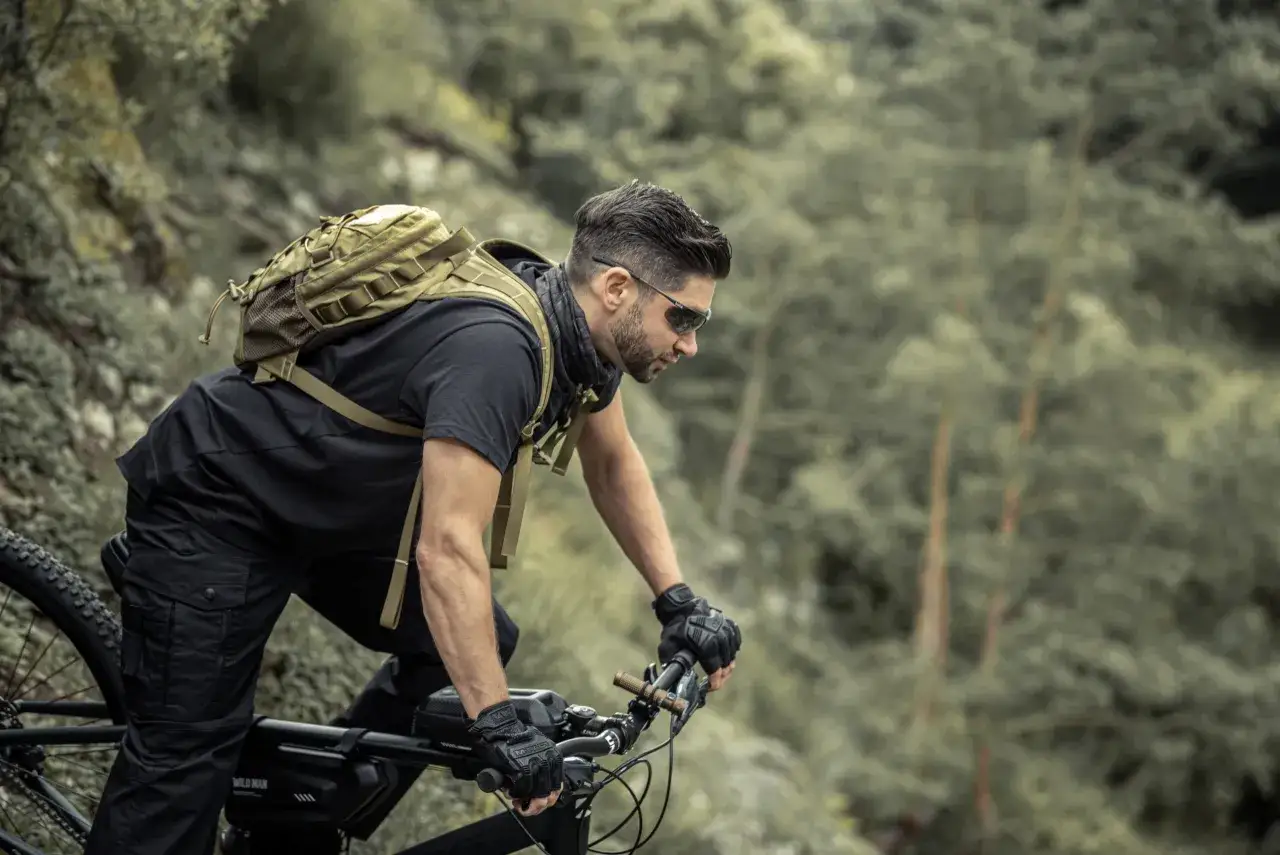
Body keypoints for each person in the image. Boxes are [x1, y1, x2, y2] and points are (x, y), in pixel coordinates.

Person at [83, 180, 744, 855]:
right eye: (684, 319)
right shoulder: (499, 351)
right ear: (615, 289)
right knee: (184, 763)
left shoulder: (581, 343)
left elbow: (613, 465)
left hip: (327, 512)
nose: (690, 344)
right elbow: (447, 549)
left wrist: (678, 601)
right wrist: (497, 725)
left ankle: (300, 813)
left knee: (477, 639)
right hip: (221, 500)